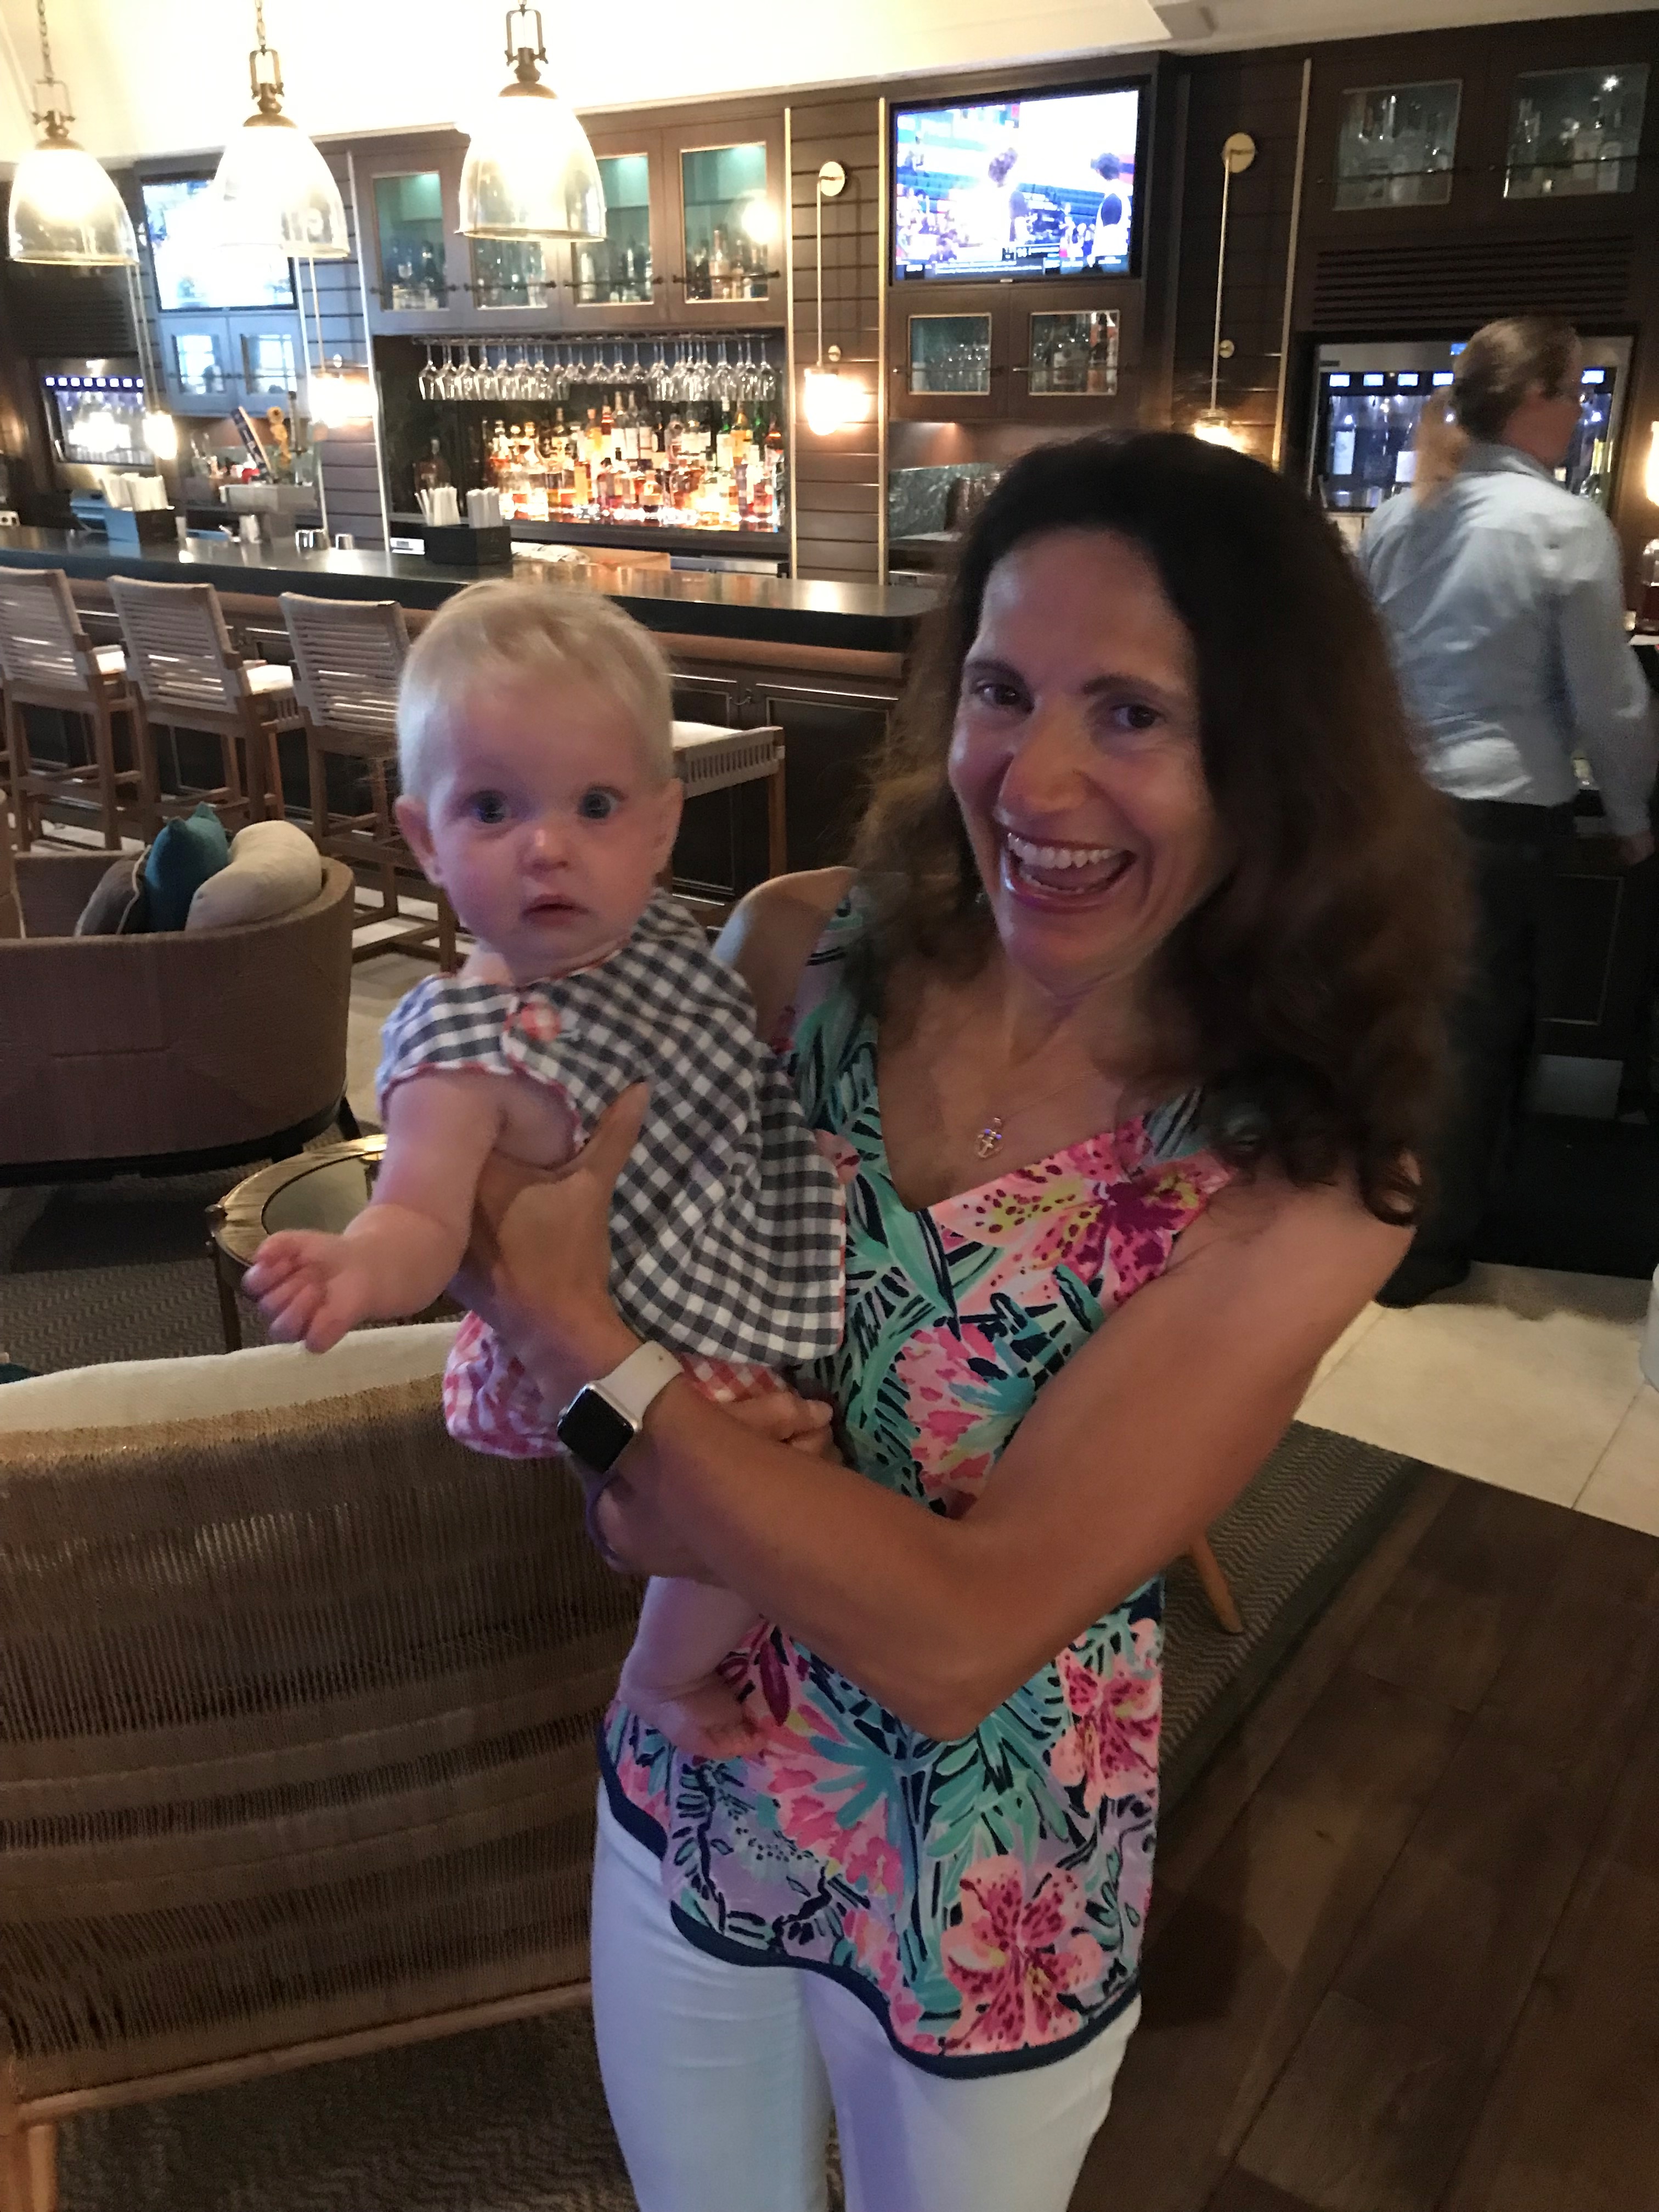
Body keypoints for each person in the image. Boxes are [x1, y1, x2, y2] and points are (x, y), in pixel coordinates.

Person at [443, 433, 1466, 2212]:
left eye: (1129, 713)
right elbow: (613, 1426)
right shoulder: (794, 959)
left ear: (1269, 762)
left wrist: (592, 1362)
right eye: (1001, 691)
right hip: (698, 1781)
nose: (1034, 777)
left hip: (988, 1887)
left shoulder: (1297, 1178)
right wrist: (616, 1453)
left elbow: (959, 1632)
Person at [245, 582, 845, 1759]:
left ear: (661, 829)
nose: (549, 846)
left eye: (596, 805)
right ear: (425, 838)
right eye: (492, 807)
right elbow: (421, 1217)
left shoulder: (652, 939)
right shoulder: (462, 1048)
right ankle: (663, 1676)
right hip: (626, 1333)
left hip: (706, 1251)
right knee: (749, 1507)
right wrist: (357, 1267)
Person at [1360, 315, 1658, 1306]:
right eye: (1572, 393)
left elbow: (1360, 671)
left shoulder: (1399, 517)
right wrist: (1631, 813)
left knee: (1392, 1015)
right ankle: (1428, 1246)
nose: (1577, 414)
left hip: (1396, 810)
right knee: (1475, 1033)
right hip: (1499, 819)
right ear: (1533, 400)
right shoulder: (1564, 526)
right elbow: (1609, 702)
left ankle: (1357, 1224)